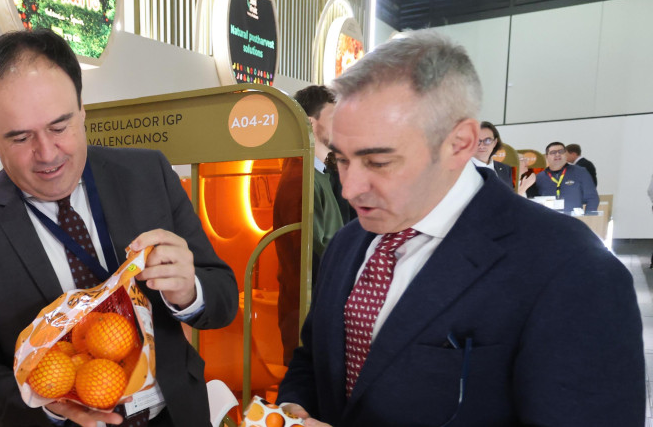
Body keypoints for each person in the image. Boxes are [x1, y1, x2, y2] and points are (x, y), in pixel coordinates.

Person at [276, 30, 642, 426]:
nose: (349, 188)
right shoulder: (349, 244)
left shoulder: (570, 269)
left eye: (378, 162)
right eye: (342, 160)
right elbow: (313, 360)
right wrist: (293, 412)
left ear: (459, 143)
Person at [0, 29, 237, 426]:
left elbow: (223, 295)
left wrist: (189, 291)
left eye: (59, 127)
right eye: (21, 137)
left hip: (175, 414)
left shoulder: (148, 175)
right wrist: (47, 402)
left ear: (82, 110)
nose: (46, 154)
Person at [274, 85, 345, 360]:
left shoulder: (319, 175)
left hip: (320, 306)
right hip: (308, 311)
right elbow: (313, 251)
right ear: (312, 123)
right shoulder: (301, 178)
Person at [526, 141, 599, 213]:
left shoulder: (580, 172)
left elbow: (592, 198)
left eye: (561, 151)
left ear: (566, 155)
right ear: (547, 157)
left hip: (573, 221)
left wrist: (588, 218)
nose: (557, 154)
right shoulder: (539, 178)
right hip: (549, 221)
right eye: (553, 152)